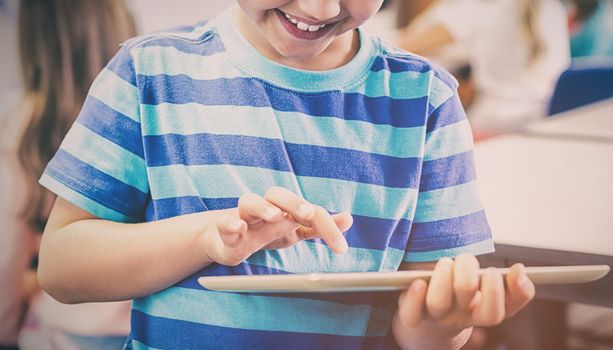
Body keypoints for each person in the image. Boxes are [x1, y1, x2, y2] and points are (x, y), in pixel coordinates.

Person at [36, 1, 536, 349]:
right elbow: (62, 267)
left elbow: (426, 326)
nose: (319, 9)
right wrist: (204, 237)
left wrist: (441, 324)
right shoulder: (149, 72)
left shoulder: (426, 100)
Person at [0, 0, 136, 349]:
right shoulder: (146, 110)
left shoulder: (25, 124)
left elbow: (7, 255)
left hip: (63, 330)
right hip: (142, 325)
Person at [399, 0, 570, 138]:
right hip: (546, 117)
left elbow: (407, 45)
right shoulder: (554, 7)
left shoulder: (481, 7)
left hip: (493, 124)